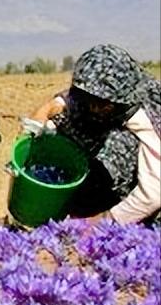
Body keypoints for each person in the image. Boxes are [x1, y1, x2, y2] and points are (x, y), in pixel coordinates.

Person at [28, 44, 159, 223]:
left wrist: (101, 222)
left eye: (103, 103)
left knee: (118, 144)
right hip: (97, 170)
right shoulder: (90, 92)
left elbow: (152, 195)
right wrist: (29, 138)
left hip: (140, 190)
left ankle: (106, 203)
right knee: (66, 122)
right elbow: (51, 108)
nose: (94, 108)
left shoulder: (148, 114)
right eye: (90, 100)